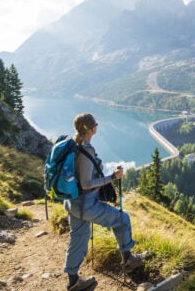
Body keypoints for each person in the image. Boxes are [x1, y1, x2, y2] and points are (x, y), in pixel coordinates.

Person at [63, 112, 143, 291]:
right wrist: (112, 177)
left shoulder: (73, 145)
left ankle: (73, 281)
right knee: (123, 219)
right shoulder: (86, 149)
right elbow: (86, 183)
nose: (97, 127)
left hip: (72, 203)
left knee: (77, 238)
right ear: (92, 129)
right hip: (86, 204)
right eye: (95, 125)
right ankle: (128, 260)